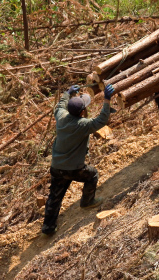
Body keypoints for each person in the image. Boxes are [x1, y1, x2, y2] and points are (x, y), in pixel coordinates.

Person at [41, 83, 115, 235]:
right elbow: (101, 120)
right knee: (92, 174)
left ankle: (48, 227)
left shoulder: (61, 117)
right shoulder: (83, 125)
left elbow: (59, 106)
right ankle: (87, 202)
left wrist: (67, 93)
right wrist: (107, 100)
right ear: (82, 112)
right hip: (74, 169)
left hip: (57, 167)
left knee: (55, 196)